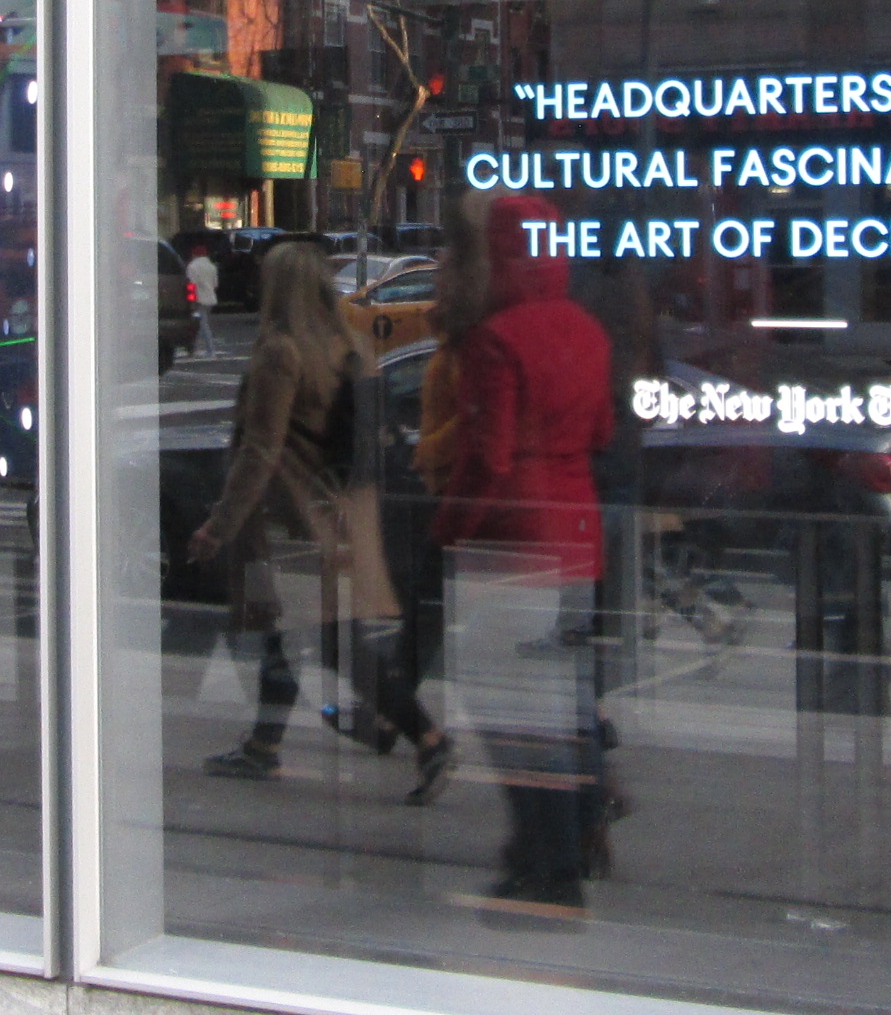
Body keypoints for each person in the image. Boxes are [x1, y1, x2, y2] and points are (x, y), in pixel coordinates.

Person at [188, 240, 455, 800]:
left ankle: (427, 737)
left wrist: (219, 524)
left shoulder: (281, 352)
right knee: (295, 634)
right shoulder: (351, 345)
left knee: (326, 639)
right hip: (344, 513)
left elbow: (261, 448)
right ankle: (264, 744)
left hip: (293, 519)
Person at [433, 191, 619, 918]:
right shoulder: (586, 327)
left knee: (508, 711)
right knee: (559, 704)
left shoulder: (497, 338)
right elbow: (602, 432)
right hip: (579, 537)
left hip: (517, 544)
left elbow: (489, 457)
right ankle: (574, 838)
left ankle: (546, 863)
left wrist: (447, 528)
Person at [186, 239, 222, 358]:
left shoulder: (192, 267)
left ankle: (210, 350)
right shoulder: (212, 267)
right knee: (201, 323)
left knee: (201, 324)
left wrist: (191, 300)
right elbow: (215, 284)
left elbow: (191, 285)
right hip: (210, 298)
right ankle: (194, 348)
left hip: (198, 299)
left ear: (194, 254)